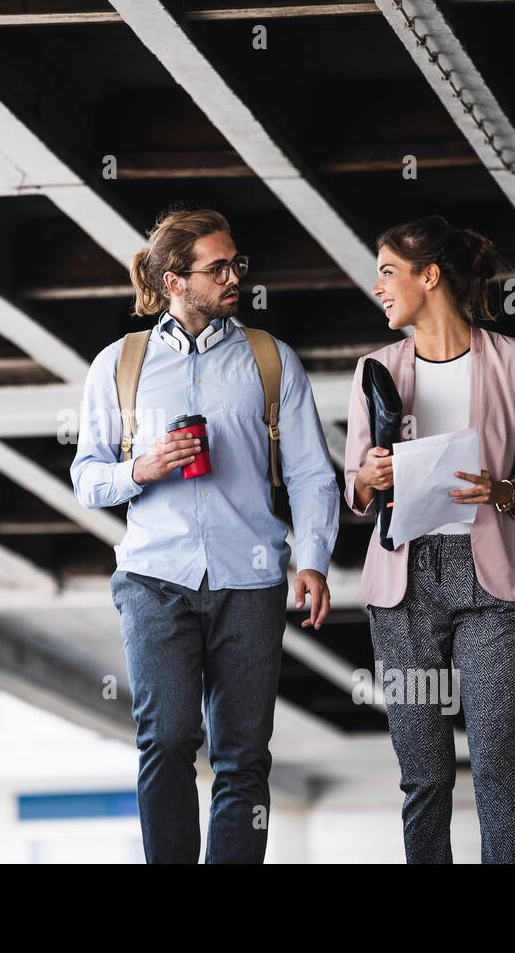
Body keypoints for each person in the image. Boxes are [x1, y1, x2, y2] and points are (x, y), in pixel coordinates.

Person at [70, 206, 338, 863]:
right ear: (173, 281)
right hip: (154, 578)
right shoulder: (118, 365)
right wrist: (142, 467)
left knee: (244, 754)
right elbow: (87, 478)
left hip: (251, 581)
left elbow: (311, 474)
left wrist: (314, 559)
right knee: (166, 737)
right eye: (218, 267)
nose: (234, 276)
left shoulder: (270, 360)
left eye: (236, 264)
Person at [343, 215, 515, 863]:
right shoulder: (374, 368)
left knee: (494, 759)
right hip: (402, 583)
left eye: (386, 271)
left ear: (428, 276)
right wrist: (370, 475)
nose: (377, 285)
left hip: (487, 579)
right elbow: (355, 486)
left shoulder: (513, 359)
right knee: (425, 773)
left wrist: (502, 491)